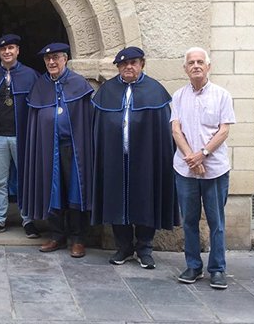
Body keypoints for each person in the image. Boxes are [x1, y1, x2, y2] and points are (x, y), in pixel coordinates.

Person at [92, 46, 179, 269]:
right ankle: (123, 247)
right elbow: (98, 127)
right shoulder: (107, 90)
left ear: (142, 64)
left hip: (145, 157)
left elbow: (162, 131)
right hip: (115, 157)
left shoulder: (155, 91)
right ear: (118, 67)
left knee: (145, 199)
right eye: (123, 64)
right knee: (116, 199)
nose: (128, 67)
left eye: (133, 63)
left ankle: (145, 249)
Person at [171, 47, 235, 289]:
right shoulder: (178, 96)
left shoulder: (222, 95)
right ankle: (193, 266)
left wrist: (203, 154)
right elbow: (176, 130)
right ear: (185, 68)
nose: (196, 65)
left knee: (216, 221)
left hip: (215, 169)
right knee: (189, 220)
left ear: (208, 66)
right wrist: (191, 158)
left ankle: (218, 269)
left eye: (200, 62)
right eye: (191, 62)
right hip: (185, 170)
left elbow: (224, 129)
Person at [23, 42, 93, 258]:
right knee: (53, 191)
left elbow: (86, 119)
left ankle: (78, 238)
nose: (51, 62)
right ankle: (56, 235)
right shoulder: (40, 86)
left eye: (56, 58)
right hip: (47, 147)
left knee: (75, 192)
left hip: (73, 148)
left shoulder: (78, 83)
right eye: (47, 59)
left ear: (65, 59)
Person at [0, 34, 40, 238]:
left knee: (25, 179)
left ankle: (28, 219)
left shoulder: (30, 75)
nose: (7, 52)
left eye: (11, 48)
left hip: (21, 136)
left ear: (17, 51)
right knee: (0, 180)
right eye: (3, 49)